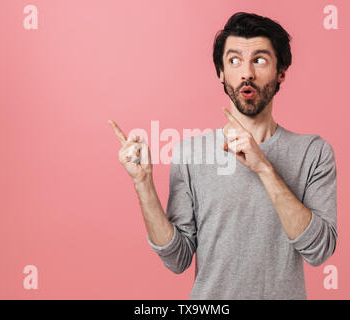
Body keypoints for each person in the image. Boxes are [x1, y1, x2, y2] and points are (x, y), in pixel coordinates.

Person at [109, 12, 337, 299]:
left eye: (260, 60)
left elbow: (319, 250)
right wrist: (143, 183)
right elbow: (177, 259)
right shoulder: (191, 153)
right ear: (221, 72)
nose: (247, 73)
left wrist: (264, 168)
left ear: (281, 72)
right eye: (234, 61)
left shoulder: (313, 152)